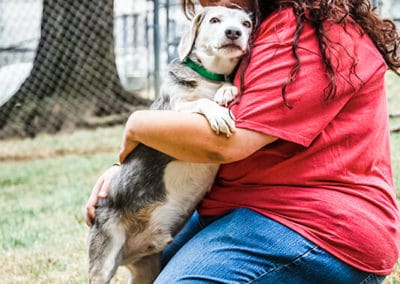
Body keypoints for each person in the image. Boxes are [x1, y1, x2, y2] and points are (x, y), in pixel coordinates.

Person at [86, 0, 400, 282]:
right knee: (148, 269)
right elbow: (193, 113)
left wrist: (138, 124)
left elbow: (226, 143)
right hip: (242, 205)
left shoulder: (308, 31)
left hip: (318, 225)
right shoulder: (255, 27)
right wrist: (131, 171)